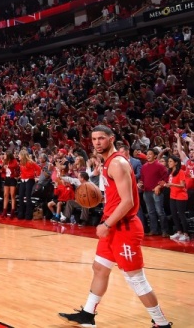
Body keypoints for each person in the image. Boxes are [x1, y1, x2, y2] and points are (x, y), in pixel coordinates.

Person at [59, 125, 172, 328]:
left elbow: (128, 201)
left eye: (101, 138)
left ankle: (161, 323)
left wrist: (107, 224)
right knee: (100, 268)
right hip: (113, 225)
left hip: (124, 227)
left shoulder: (117, 163)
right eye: (94, 139)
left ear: (111, 139)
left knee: (136, 279)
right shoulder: (107, 162)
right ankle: (87, 314)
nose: (97, 142)